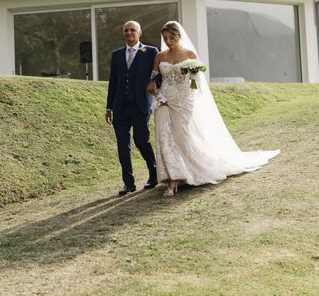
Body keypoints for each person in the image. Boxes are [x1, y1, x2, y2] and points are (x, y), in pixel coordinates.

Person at [148, 21, 280, 197]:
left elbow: (196, 82)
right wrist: (151, 85)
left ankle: (191, 170)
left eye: (171, 37)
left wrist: (192, 76)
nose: (168, 41)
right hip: (163, 99)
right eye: (165, 38)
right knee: (164, 136)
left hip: (183, 100)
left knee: (181, 136)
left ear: (178, 36)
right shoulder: (160, 56)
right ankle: (174, 177)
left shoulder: (189, 54)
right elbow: (154, 77)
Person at [106, 20, 159, 196]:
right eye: (126, 31)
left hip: (141, 105)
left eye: (132, 30)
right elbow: (113, 82)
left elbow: (158, 75)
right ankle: (128, 183)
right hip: (120, 106)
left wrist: (152, 84)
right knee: (123, 145)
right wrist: (109, 107)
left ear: (139, 32)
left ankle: (154, 174)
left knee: (142, 141)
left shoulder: (151, 52)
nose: (129, 33)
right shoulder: (117, 55)